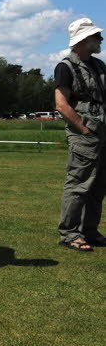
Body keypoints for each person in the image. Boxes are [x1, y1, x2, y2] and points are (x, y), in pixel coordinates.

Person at [54, 17, 106, 251]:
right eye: (97, 36)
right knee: (79, 185)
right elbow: (61, 104)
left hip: (102, 133)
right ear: (85, 40)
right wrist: (83, 130)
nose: (101, 39)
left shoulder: (99, 66)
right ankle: (70, 234)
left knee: (98, 186)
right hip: (84, 133)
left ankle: (89, 231)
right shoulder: (66, 66)